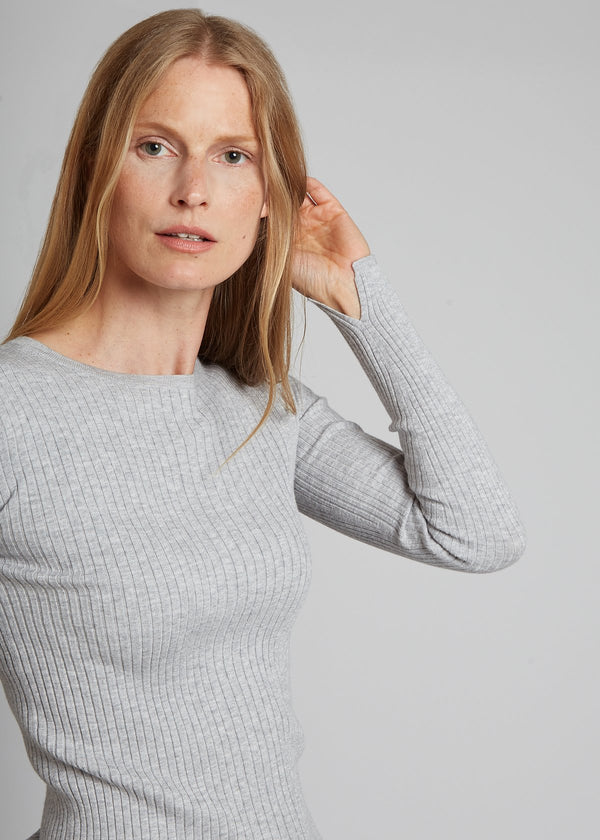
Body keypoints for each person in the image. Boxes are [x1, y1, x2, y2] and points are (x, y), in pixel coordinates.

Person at [0, 8, 526, 840]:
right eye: (155, 146)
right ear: (97, 164)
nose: (194, 190)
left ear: (269, 197)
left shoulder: (263, 409)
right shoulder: (15, 412)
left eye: (233, 156)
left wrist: (362, 301)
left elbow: (476, 533)